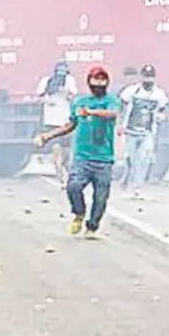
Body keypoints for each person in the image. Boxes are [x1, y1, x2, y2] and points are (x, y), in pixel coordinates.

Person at [34, 66, 122, 237]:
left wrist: (92, 112)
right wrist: (47, 136)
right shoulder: (80, 102)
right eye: (95, 80)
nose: (99, 84)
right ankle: (79, 213)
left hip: (104, 158)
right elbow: (70, 125)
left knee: (101, 197)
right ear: (89, 82)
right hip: (82, 157)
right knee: (73, 187)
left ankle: (92, 227)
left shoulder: (111, 101)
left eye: (102, 80)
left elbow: (111, 113)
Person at [118, 64, 168, 196]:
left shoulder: (159, 94)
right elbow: (121, 107)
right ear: (141, 77)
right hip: (131, 131)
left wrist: (161, 118)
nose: (148, 80)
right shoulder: (132, 91)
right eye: (146, 77)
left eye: (150, 77)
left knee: (144, 158)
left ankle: (137, 187)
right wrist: (119, 125)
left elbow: (164, 110)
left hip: (148, 132)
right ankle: (126, 175)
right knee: (130, 158)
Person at [36, 60, 78, 188]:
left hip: (66, 122)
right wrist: (48, 100)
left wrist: (66, 92)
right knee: (56, 152)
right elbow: (39, 97)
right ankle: (62, 180)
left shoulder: (70, 81)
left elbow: (74, 95)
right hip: (51, 122)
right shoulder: (46, 81)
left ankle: (69, 177)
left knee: (67, 154)